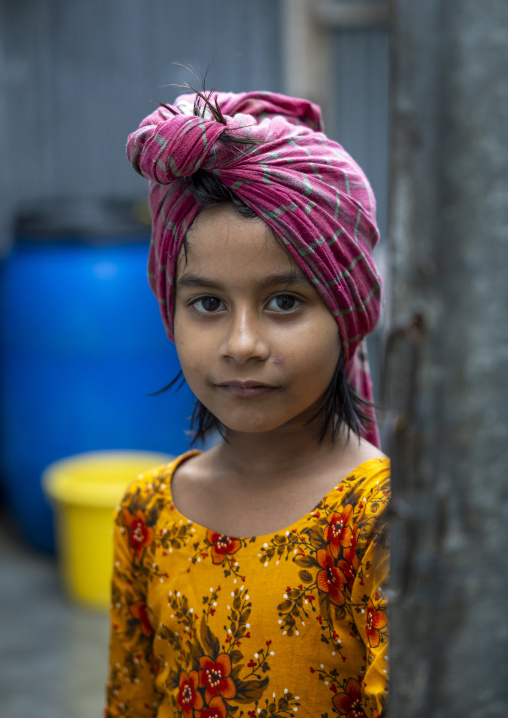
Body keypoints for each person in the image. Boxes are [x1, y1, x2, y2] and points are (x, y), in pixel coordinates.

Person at [106, 89, 390, 718]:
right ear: (169, 313)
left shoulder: (384, 522)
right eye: (207, 304)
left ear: (348, 311)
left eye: (284, 302)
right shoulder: (148, 514)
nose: (241, 344)